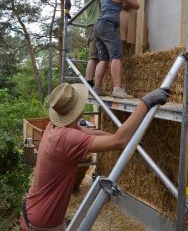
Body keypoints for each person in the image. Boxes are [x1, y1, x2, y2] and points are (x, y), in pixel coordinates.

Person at [20, 83, 169, 231]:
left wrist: (125, 141)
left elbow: (92, 133)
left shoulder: (53, 126)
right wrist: (144, 103)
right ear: (79, 110)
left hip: (32, 210)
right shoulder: (69, 138)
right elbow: (118, 141)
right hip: (42, 223)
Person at [93, 0, 140, 99]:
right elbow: (136, 5)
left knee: (104, 59)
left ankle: (97, 87)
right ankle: (117, 89)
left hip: (98, 26)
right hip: (108, 25)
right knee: (117, 56)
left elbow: (117, 5)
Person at [82, 0, 102, 87]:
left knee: (96, 57)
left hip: (94, 26)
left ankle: (90, 81)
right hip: (93, 26)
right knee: (93, 57)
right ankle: (88, 82)